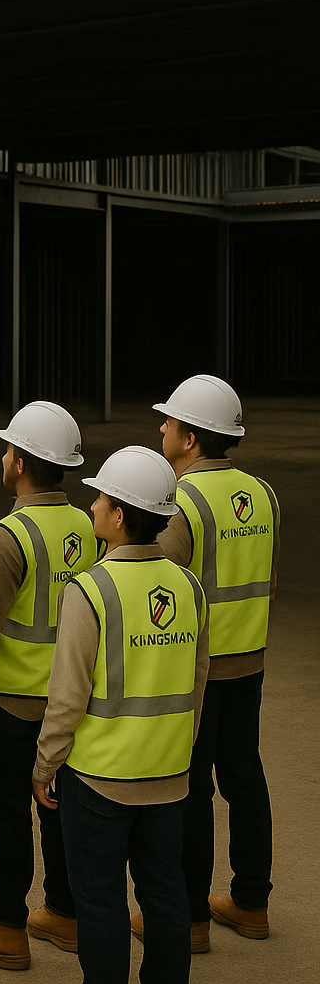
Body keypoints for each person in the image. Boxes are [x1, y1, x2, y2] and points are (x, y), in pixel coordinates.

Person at [33, 446, 210, 984]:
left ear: (120, 515)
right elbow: (196, 685)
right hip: (168, 775)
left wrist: (45, 764)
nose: (93, 504)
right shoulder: (189, 588)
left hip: (99, 781)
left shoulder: (90, 591)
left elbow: (67, 697)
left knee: (101, 899)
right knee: (166, 894)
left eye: (100, 496)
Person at [0, 402, 98, 969]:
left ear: (20, 463)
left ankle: (7, 926)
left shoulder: (6, 537)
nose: (3, 456)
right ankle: (64, 913)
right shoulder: (90, 525)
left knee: (7, 816)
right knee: (59, 810)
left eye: (7, 449)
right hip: (70, 701)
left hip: (10, 705)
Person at [147, 375, 278, 946]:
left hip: (197, 674)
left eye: (169, 423)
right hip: (249, 661)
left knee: (192, 790)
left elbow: (165, 596)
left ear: (192, 438)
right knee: (245, 776)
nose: (161, 429)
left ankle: (191, 918)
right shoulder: (265, 494)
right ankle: (251, 903)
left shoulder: (183, 503)